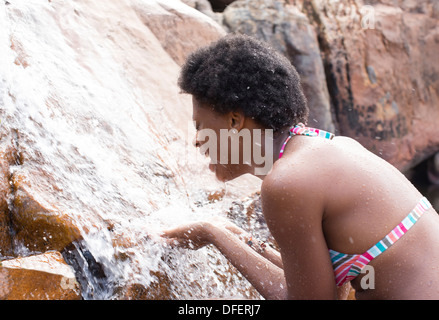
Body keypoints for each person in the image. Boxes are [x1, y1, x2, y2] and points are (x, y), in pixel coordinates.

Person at [161, 34, 439, 300]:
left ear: (235, 121)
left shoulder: (288, 182)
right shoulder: (324, 147)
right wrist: (237, 236)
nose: (198, 141)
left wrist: (214, 233)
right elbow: (328, 286)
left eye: (200, 126)